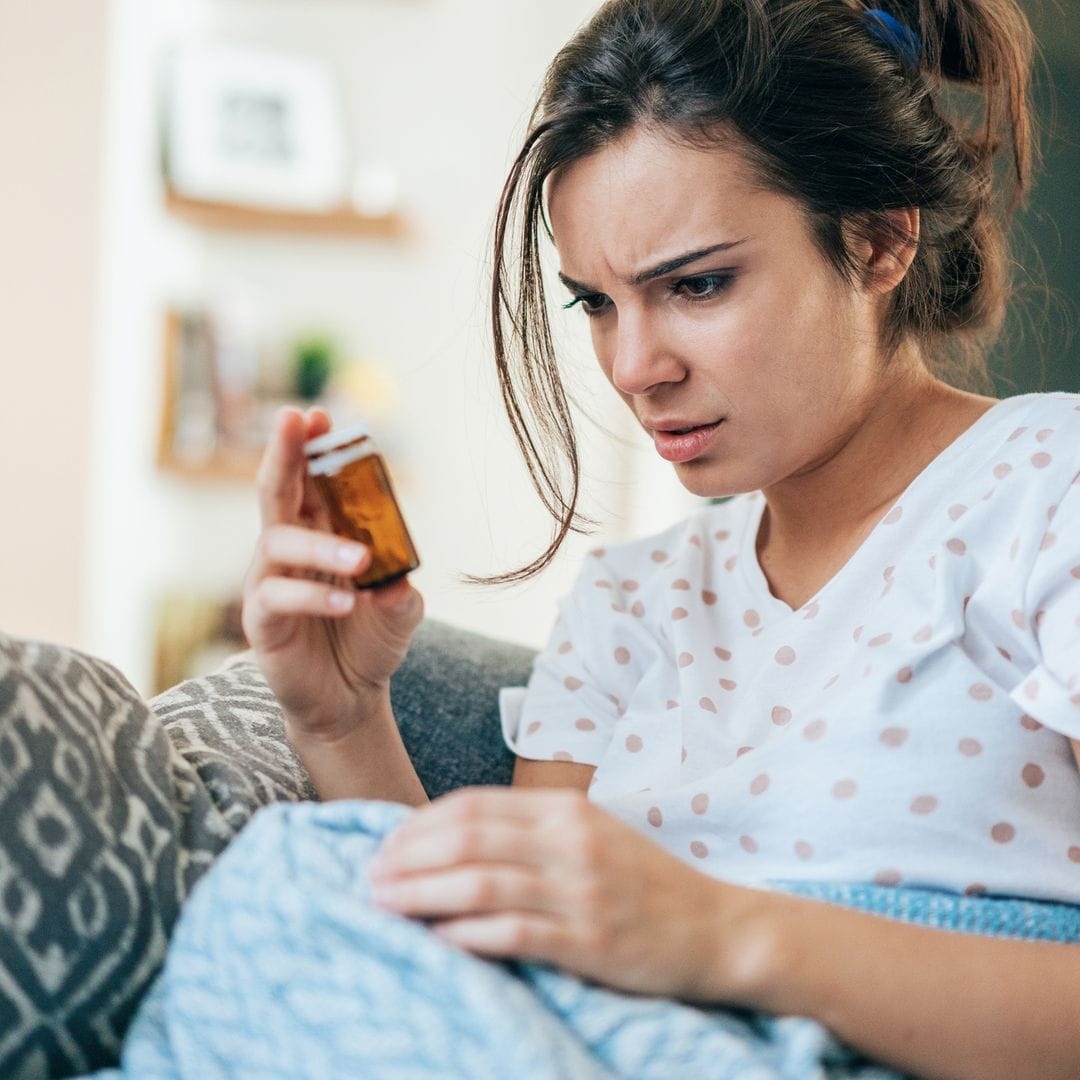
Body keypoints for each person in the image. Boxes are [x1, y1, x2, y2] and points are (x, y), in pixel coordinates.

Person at [235, 1, 1080, 1077]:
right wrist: (344, 719)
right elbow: (501, 984)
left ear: (879, 238)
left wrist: (720, 934)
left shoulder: (1050, 490)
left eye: (697, 284)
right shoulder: (633, 601)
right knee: (276, 879)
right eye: (596, 302)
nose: (634, 366)